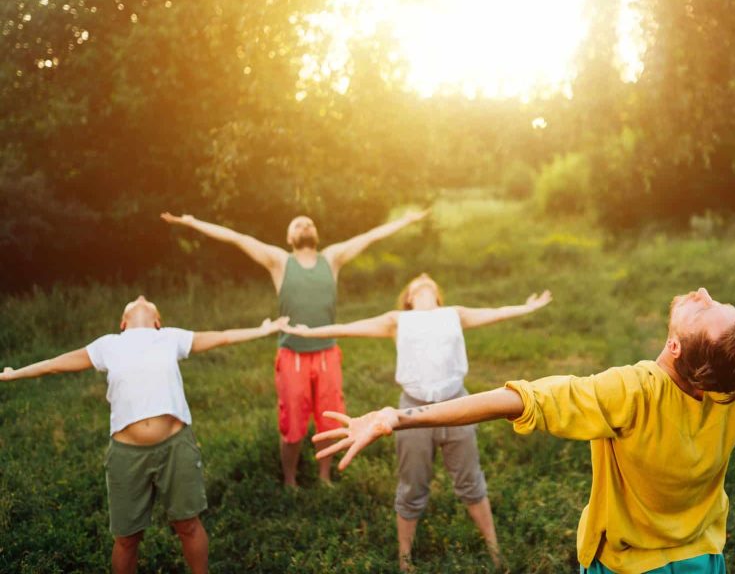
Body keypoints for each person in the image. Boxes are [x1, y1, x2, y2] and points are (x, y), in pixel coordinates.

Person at [310, 266, 735, 574]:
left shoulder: (631, 392)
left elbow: (516, 400)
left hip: (627, 567)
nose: (702, 293)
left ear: (680, 349)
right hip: (704, 559)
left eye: (702, 310)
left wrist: (398, 417)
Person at [282, 272, 552, 572]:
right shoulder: (398, 320)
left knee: (471, 481)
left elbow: (496, 313)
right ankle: (405, 561)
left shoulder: (454, 314)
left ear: (437, 296)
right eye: (417, 283)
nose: (424, 279)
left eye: (430, 282)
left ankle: (495, 552)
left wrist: (527, 308)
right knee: (412, 486)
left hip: (458, 404)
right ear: (409, 298)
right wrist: (307, 333)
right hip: (411, 411)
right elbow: (347, 328)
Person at [0, 295, 288, 574]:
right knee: (127, 538)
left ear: (157, 321)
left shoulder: (171, 338)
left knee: (188, 524)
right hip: (127, 455)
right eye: (134, 302)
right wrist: (15, 373)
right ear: (122, 323)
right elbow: (55, 364)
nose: (140, 297)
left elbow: (223, 336)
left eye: (148, 302)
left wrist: (264, 329)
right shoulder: (108, 345)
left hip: (176, 447)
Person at [161, 209, 428, 487]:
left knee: (331, 420)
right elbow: (237, 238)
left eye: (309, 222)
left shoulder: (332, 258)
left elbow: (370, 236)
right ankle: (290, 481)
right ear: (290, 237)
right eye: (298, 224)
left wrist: (405, 221)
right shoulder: (279, 261)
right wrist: (193, 222)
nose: (305, 225)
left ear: (316, 235)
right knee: (292, 425)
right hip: (293, 357)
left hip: (327, 355)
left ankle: (324, 477)